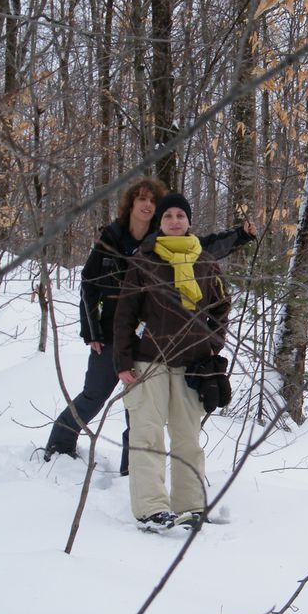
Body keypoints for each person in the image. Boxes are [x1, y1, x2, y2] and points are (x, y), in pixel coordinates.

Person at [43, 179, 255, 472]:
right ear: (131, 203)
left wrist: (239, 236)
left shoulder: (161, 243)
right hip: (111, 332)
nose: (146, 205)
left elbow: (203, 249)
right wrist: (90, 330)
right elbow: (88, 285)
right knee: (95, 394)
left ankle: (130, 470)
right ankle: (60, 444)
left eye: (153, 202)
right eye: (141, 199)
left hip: (148, 340)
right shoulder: (111, 238)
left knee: (140, 412)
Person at [112, 193, 230, 532]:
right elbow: (124, 316)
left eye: (181, 215)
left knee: (187, 439)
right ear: (159, 223)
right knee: (147, 435)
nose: (175, 221)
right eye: (168, 217)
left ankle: (191, 506)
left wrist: (212, 341)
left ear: (189, 221)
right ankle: (151, 509)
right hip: (148, 362)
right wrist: (122, 361)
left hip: (192, 363)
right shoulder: (144, 262)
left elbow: (221, 307)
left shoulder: (206, 262)